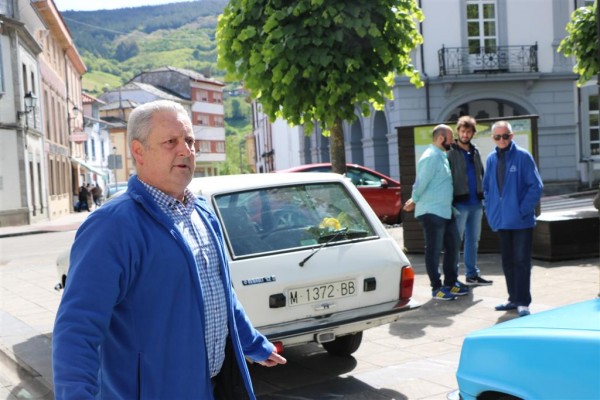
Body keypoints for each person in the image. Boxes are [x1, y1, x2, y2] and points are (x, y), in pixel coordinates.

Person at [52, 100, 286, 399]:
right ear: (138, 151)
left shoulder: (203, 214)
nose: (185, 151)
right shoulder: (111, 227)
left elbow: (221, 296)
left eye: (189, 141)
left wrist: (254, 344)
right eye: (170, 142)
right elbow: (77, 329)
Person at [483, 120, 543, 317]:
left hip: (521, 221)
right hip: (502, 221)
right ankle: (512, 298)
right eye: (498, 136)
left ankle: (523, 302)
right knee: (508, 261)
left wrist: (522, 210)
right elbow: (487, 189)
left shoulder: (523, 157)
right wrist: (491, 211)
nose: (502, 139)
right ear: (493, 138)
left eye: (505, 136)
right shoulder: (491, 159)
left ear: (512, 136)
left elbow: (536, 186)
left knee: (521, 261)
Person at [403, 124, 469, 300]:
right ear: (441, 139)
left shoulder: (441, 156)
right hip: (432, 212)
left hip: (445, 211)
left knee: (453, 245)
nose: (453, 141)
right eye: (451, 137)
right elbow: (421, 182)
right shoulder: (431, 157)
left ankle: (451, 282)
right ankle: (436, 288)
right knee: (433, 250)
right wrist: (414, 199)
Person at [447, 116, 493, 286]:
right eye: (463, 131)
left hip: (476, 203)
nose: (465, 134)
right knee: (455, 242)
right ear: (457, 132)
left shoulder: (475, 151)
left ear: (473, 133)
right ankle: (452, 278)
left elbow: (482, 174)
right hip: (458, 204)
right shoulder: (450, 152)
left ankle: (472, 274)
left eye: (469, 131)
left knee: (473, 241)